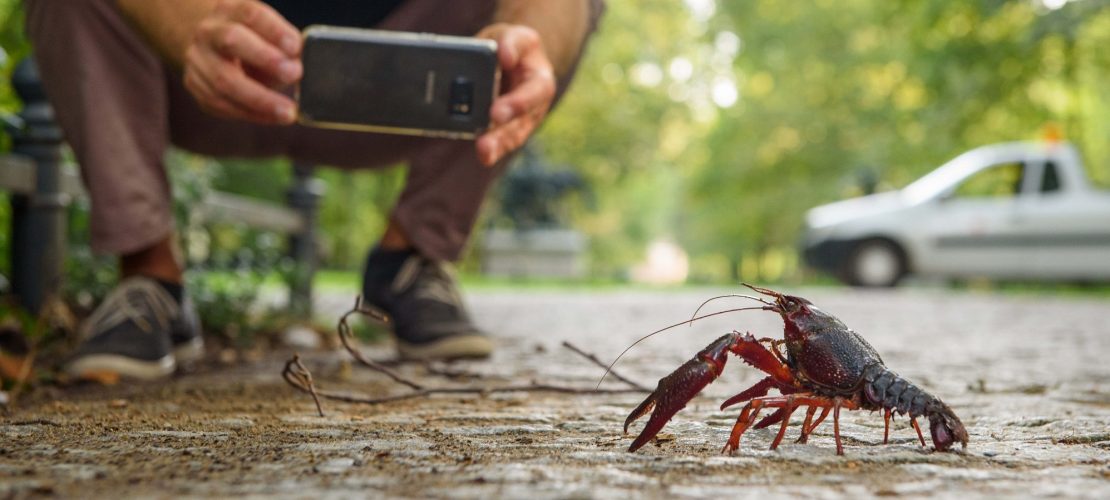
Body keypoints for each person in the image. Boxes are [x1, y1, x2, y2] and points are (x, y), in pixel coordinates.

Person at [26, 0, 604, 381]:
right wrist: (187, 28)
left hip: (408, 87)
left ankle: (409, 258)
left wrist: (530, 38)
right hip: (193, 68)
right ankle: (149, 272)